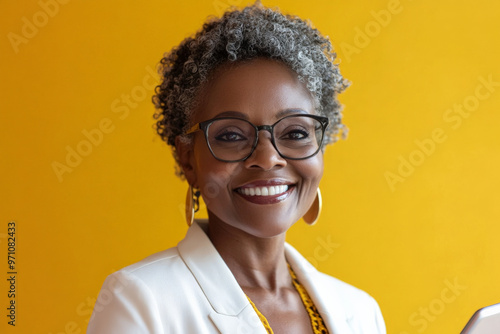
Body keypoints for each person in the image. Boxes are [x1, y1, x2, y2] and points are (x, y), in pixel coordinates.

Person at [87, 3, 386, 334]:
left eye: (296, 133)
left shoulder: (359, 312)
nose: (268, 157)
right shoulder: (140, 301)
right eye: (231, 135)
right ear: (188, 159)